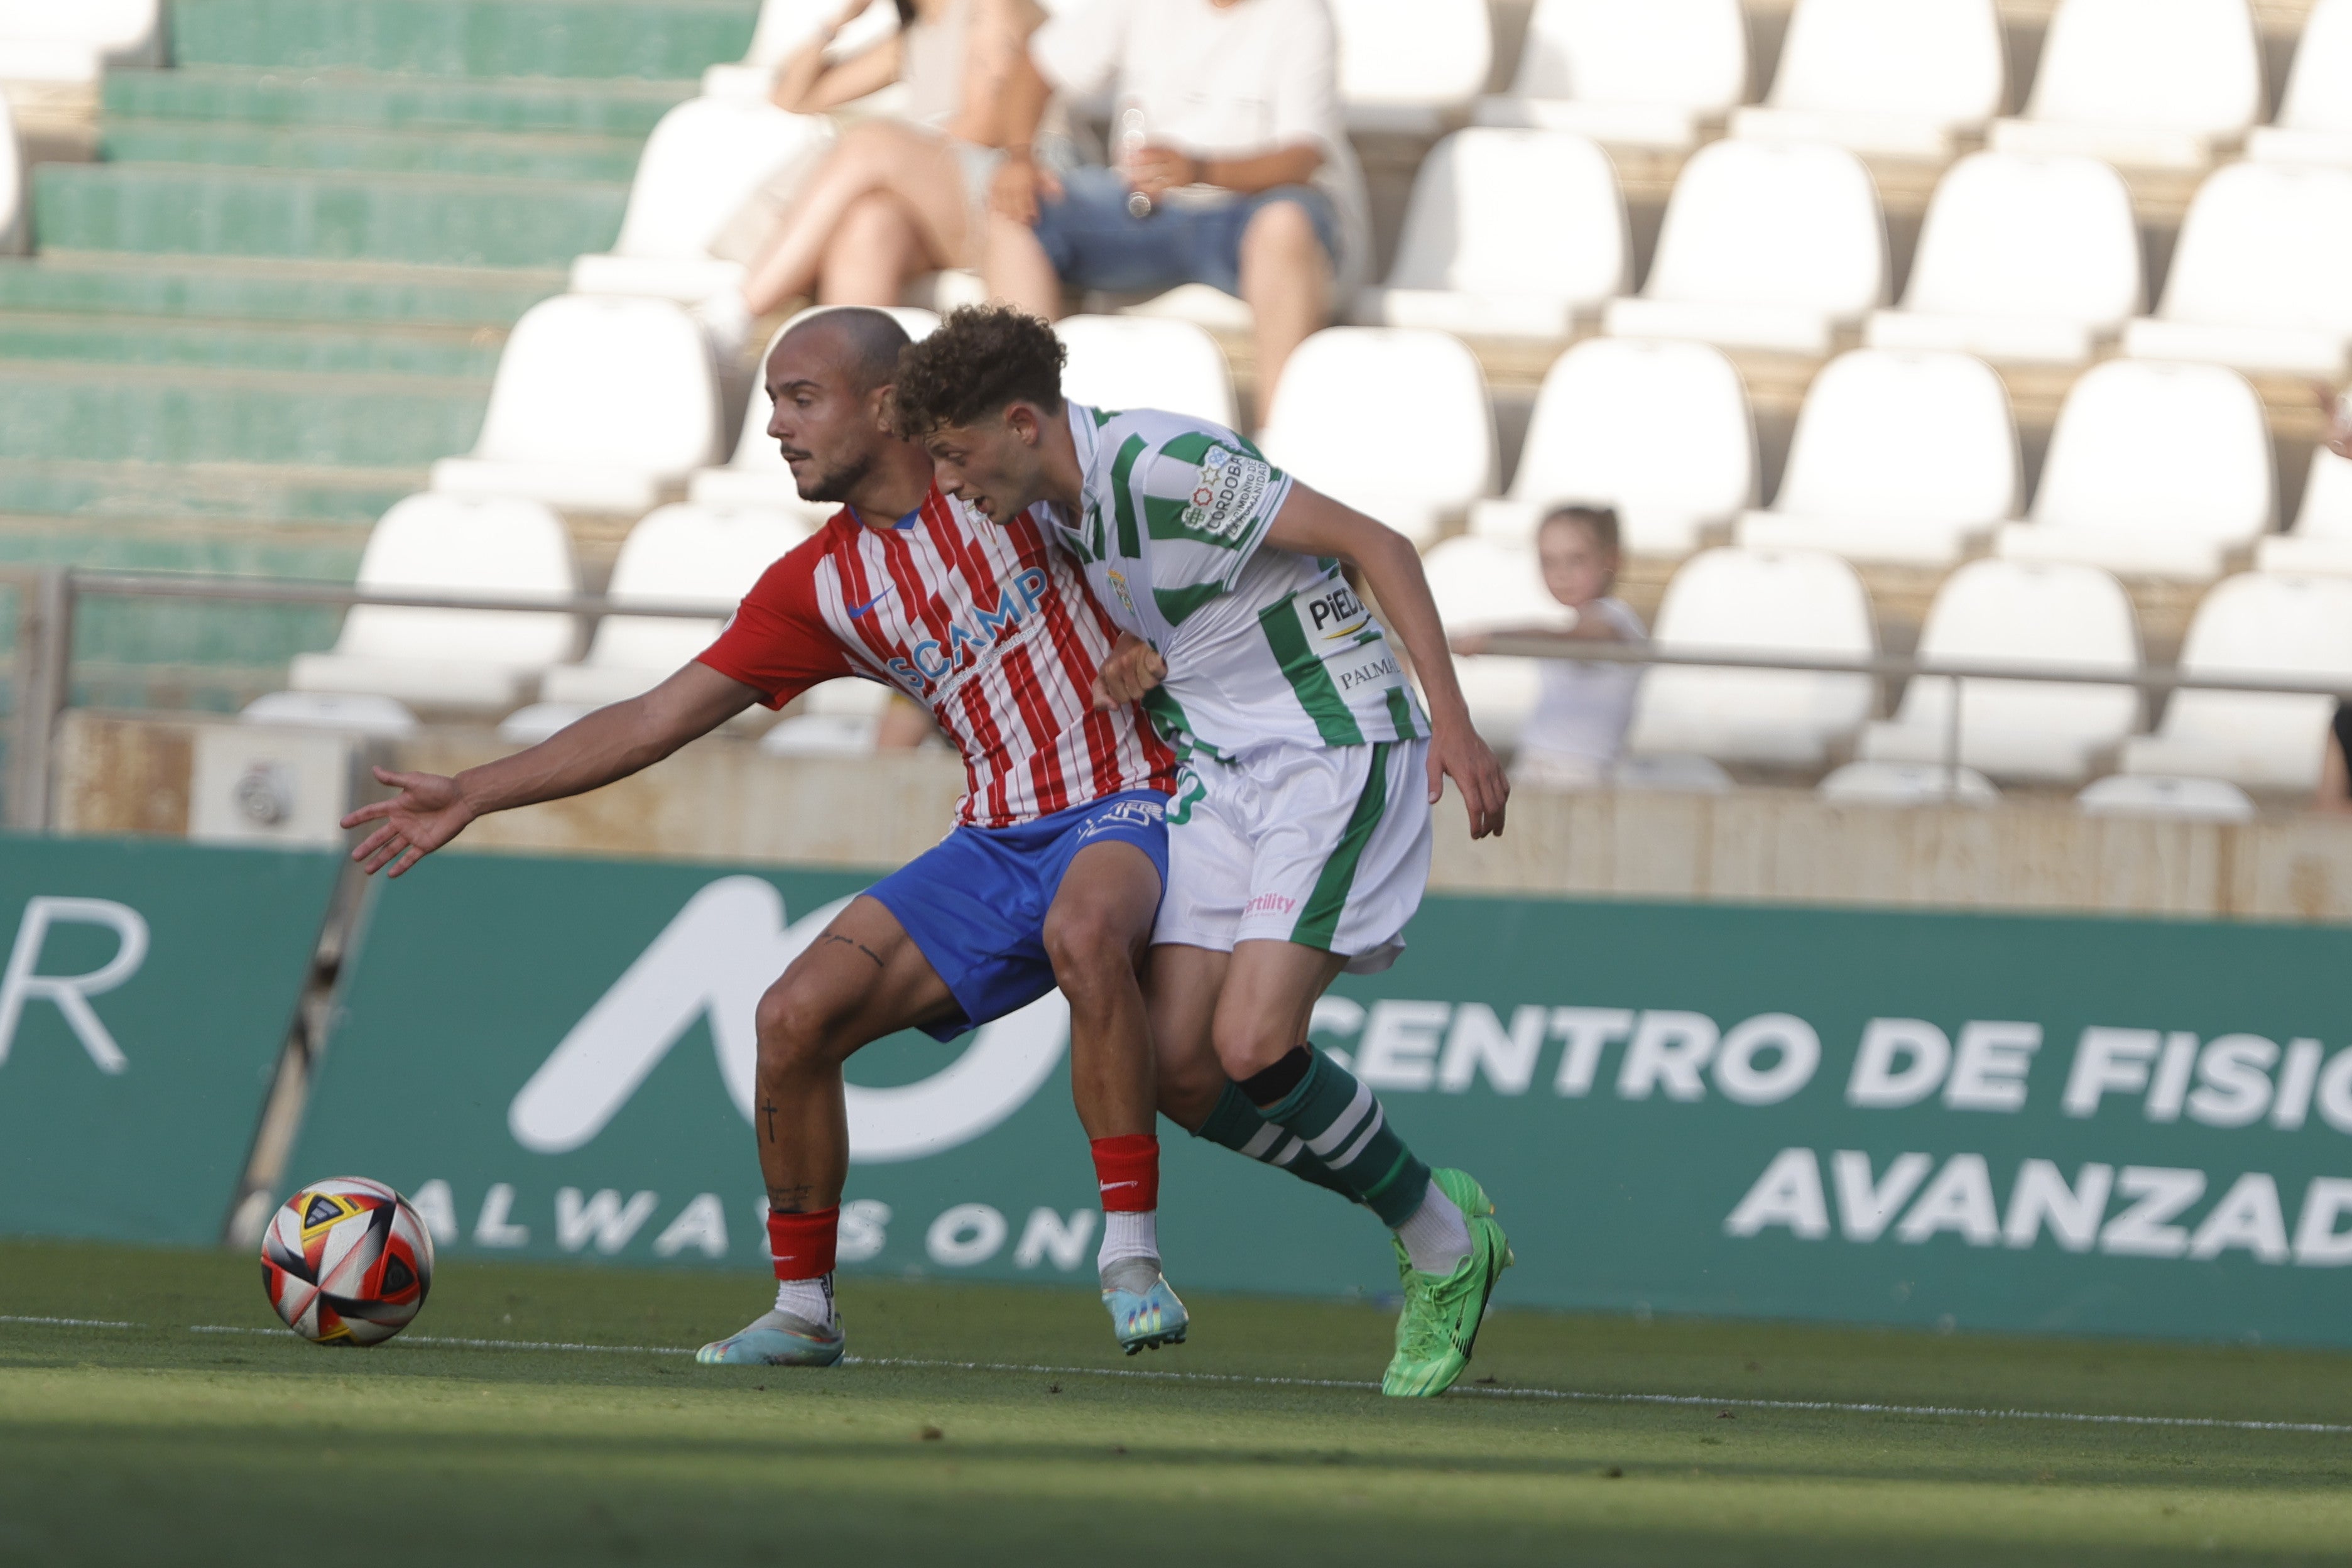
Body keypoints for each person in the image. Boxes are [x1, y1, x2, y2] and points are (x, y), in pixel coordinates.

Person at [342, 308, 1195, 1367]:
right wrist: (474, 790)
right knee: (792, 1017)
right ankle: (803, 1308)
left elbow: (1178, 546)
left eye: (801, 399)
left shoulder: (1001, 471)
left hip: (1134, 797)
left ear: (885, 403)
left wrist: (1164, 653)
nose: (778, 430)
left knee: (1085, 935)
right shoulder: (819, 586)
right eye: (771, 405)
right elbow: (655, 716)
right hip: (993, 838)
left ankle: (1129, 1258)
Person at [892, 305, 1515, 1398]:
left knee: (1252, 1042)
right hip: (1220, 776)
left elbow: (1379, 544)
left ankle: (1440, 1242)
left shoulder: (1164, 465)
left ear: (1023, 422)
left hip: (1330, 748)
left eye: (953, 452)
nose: (947, 481)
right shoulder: (1059, 506)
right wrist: (1138, 660)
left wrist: (1451, 722)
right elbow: (1193, 607)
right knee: (1178, 1068)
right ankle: (1423, 1210)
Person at [982, 0, 1366, 413]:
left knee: (1285, 224)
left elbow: (1302, 159)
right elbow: (1036, 67)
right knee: (1015, 212)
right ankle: (1022, 430)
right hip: (1143, 208)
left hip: (1250, 214)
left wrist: (1200, 168)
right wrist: (1020, 157)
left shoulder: (1301, 14)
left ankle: (1280, 448)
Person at [738, 0, 1048, 315]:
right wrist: (839, 21)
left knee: (868, 144)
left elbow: (988, 126)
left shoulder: (987, 8)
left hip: (1013, 190)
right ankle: (855, 362)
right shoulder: (910, 40)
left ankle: (740, 311)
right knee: (869, 224)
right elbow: (792, 99)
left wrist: (898, 156)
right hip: (944, 204)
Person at [1453, 506, 1647, 790]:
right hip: (1534, 766)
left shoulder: (1615, 618)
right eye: (1549, 562)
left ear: (1611, 561)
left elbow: (1572, 637)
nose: (1561, 575)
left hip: (1582, 778)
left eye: (1576, 560)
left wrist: (1494, 637)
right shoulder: (1574, 621)